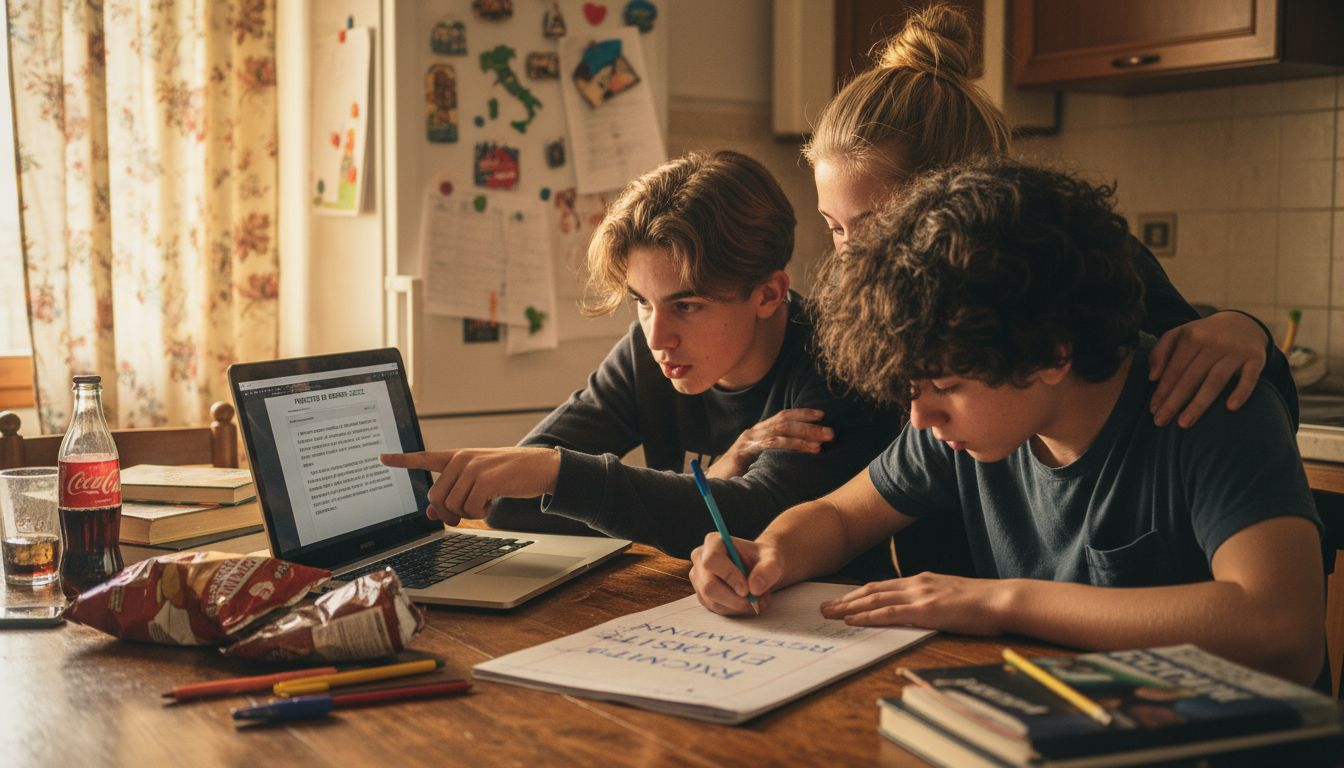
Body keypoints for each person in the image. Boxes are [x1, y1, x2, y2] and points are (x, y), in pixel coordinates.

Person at [689, 157, 1327, 687]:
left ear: (1052, 353)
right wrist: (769, 553)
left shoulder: (1206, 405)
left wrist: (1000, 600)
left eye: (945, 386)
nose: (920, 415)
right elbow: (839, 517)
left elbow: (1282, 630)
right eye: (911, 387)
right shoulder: (962, 427)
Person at [383, 150, 902, 567]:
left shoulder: (837, 360)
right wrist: (714, 480)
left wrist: (560, 473)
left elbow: (758, 525)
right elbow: (509, 503)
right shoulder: (647, 352)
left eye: (687, 305)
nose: (658, 337)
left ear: (769, 294)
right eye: (643, 302)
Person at [802, 4, 1294, 432]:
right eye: (835, 228)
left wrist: (1245, 333)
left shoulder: (1073, 263)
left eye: (874, 226)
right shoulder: (852, 300)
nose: (849, 257)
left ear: (959, 193)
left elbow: (1235, 394)